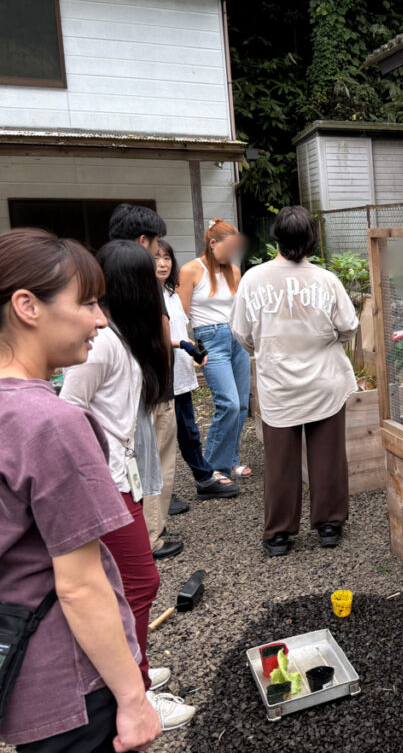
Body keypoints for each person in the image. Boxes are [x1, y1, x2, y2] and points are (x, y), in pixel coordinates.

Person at [0, 228, 161, 752]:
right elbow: (80, 585)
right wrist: (134, 700)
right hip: (70, 686)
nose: (100, 319)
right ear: (27, 306)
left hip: (19, 675)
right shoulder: (51, 423)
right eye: (87, 303)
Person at [61, 240, 196, 731]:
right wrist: (97, 471)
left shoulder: (122, 335)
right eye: (151, 275)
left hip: (123, 476)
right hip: (107, 483)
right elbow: (69, 410)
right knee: (139, 583)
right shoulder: (102, 345)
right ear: (137, 286)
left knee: (128, 584)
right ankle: (134, 693)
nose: (161, 277)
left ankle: (133, 667)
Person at [231, 206, 359, 557]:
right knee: (328, 456)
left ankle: (279, 535)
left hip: (278, 384)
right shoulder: (326, 280)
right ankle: (329, 526)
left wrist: (270, 348)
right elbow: (349, 326)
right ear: (311, 240)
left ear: (275, 237)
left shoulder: (253, 279)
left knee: (280, 463)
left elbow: (241, 333)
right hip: (324, 380)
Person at [108, 203, 182, 559]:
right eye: (155, 245)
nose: (157, 254)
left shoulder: (102, 273)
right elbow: (163, 333)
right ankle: (152, 536)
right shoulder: (145, 280)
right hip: (151, 389)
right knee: (156, 461)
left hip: (118, 392)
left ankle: (135, 534)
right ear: (142, 241)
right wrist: (164, 385)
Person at [153, 240, 239, 520]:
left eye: (167, 258)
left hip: (179, 374)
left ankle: (204, 479)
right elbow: (154, 336)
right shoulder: (147, 295)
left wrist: (192, 347)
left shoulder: (171, 294)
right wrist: (180, 344)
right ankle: (159, 494)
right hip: (160, 378)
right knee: (161, 438)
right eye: (156, 258)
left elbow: (180, 329)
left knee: (188, 432)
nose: (162, 264)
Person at [178, 219, 251, 480]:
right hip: (209, 339)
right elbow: (182, 315)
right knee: (228, 403)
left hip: (236, 338)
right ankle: (213, 468)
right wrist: (190, 350)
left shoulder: (234, 270)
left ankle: (231, 461)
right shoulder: (190, 270)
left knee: (241, 405)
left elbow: (240, 309)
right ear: (212, 243)